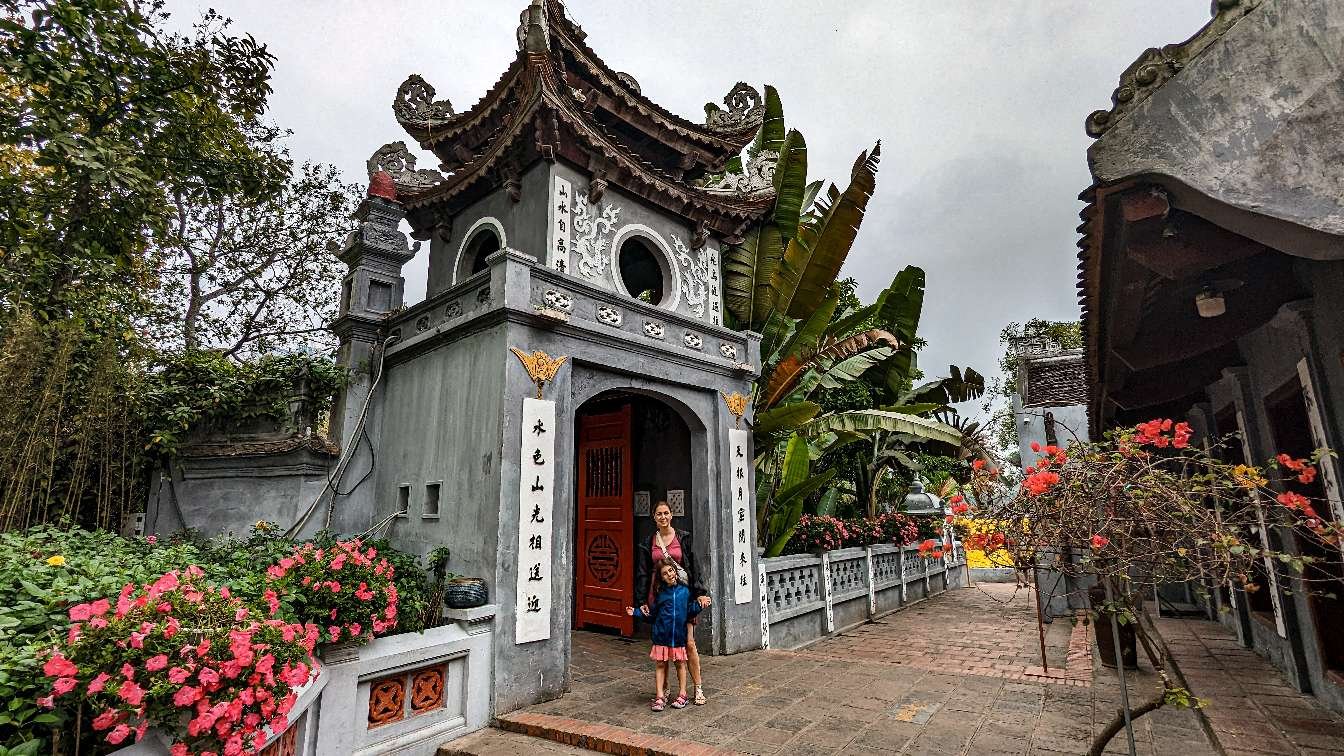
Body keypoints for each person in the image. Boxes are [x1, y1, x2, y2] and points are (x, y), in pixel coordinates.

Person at [634, 500, 712, 704]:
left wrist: (700, 593)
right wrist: (642, 600)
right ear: (654, 517)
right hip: (659, 596)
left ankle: (698, 688)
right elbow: (642, 573)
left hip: (683, 596)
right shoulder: (647, 541)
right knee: (663, 643)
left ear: (671, 515)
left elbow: (694, 566)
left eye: (666, 513)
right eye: (659, 513)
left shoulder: (683, 537)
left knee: (689, 643)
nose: (663, 517)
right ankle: (665, 689)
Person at [626, 557, 703, 711]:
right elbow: (652, 615)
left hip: (678, 637)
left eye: (671, 570)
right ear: (661, 578)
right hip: (661, 637)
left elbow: (689, 611)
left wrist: (700, 605)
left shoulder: (685, 592)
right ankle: (660, 695)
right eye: (665, 573)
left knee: (680, 664)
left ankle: (682, 694)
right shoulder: (660, 595)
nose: (669, 574)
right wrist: (635, 612)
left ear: (675, 571)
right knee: (661, 664)